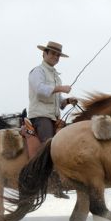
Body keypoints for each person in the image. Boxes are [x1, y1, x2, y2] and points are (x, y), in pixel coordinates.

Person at [28, 41, 77, 198]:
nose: (55, 57)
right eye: (52, 53)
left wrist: (67, 101)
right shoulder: (38, 71)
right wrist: (60, 88)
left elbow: (57, 101)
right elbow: (41, 91)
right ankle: (51, 182)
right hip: (40, 117)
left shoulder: (55, 75)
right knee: (50, 145)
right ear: (44, 53)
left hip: (53, 117)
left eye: (58, 55)